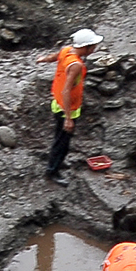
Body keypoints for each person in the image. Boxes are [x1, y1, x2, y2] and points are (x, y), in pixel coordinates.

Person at [34, 29, 100, 181]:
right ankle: (52, 171)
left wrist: (42, 59)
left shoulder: (66, 50)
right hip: (66, 108)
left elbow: (54, 57)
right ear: (86, 47)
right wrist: (68, 119)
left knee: (60, 138)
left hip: (58, 103)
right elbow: (66, 91)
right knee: (62, 142)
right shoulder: (76, 65)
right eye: (93, 46)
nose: (95, 49)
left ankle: (56, 163)